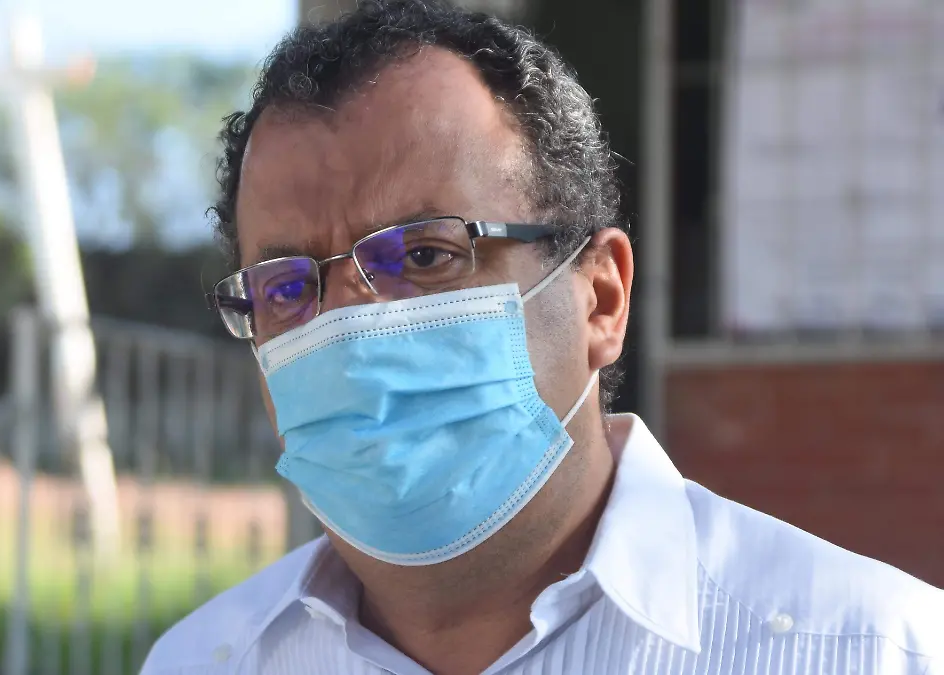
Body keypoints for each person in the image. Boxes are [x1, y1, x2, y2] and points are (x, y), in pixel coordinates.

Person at [140, 1, 943, 673]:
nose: (348, 323)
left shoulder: (869, 649)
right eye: (285, 287)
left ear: (601, 298)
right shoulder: (203, 661)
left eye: (425, 255)